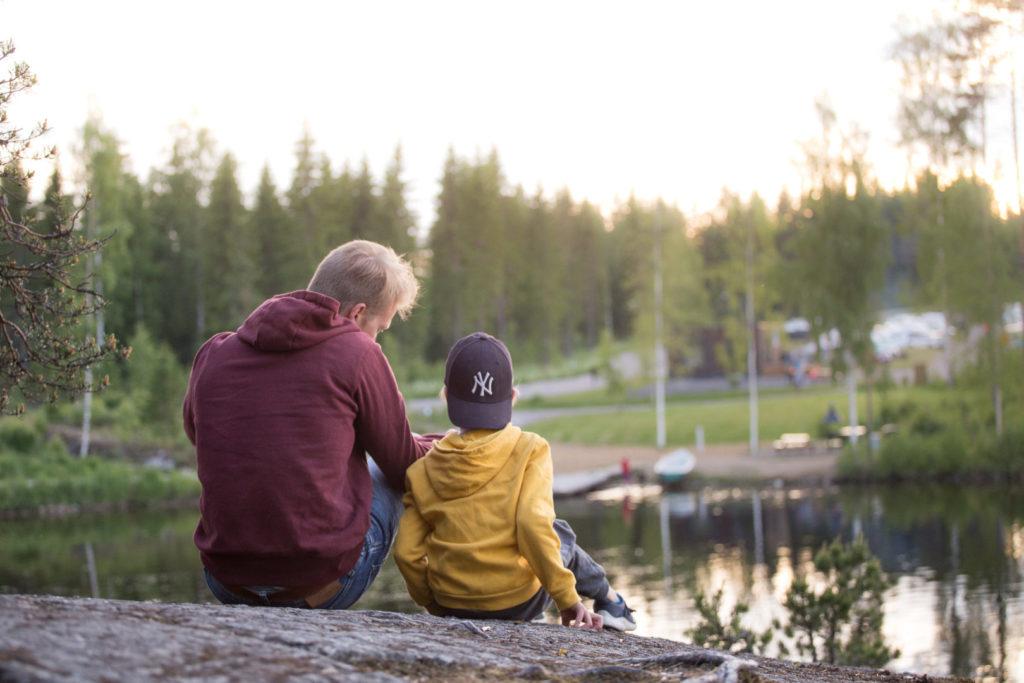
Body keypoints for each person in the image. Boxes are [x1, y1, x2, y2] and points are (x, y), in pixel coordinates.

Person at [184, 240, 436, 609]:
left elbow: (198, 434)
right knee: (385, 474)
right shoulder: (359, 353)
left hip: (226, 582)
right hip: (321, 588)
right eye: (379, 327)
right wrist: (443, 443)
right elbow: (404, 466)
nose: (377, 337)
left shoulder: (214, 352)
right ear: (357, 313)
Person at [394, 332, 637, 631]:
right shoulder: (530, 450)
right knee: (560, 534)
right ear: (512, 396)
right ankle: (612, 602)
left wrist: (433, 602)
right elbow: (533, 525)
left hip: (451, 603)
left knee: (554, 533)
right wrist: (566, 598)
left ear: (445, 396)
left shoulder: (422, 470)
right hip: (518, 601)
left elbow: (406, 552)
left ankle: (612, 600)